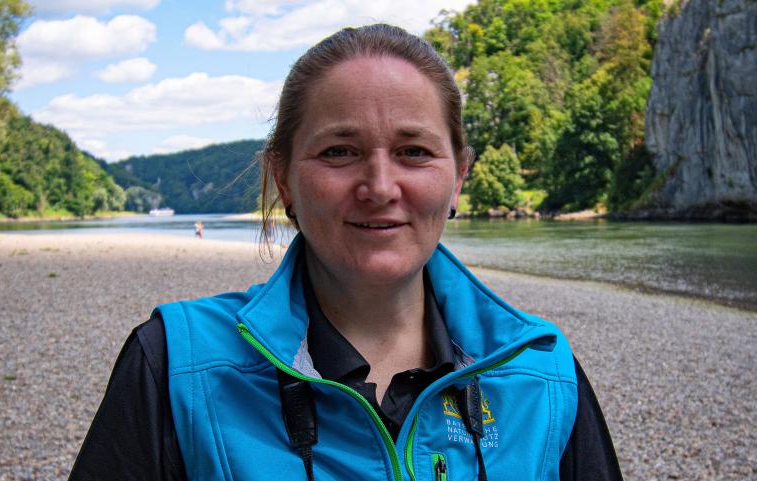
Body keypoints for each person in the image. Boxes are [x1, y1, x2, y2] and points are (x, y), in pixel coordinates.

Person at [69, 24, 622, 481]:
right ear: (283, 179)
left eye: (413, 150)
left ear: (458, 179)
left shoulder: (541, 373)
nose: (380, 186)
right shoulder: (175, 366)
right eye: (340, 151)